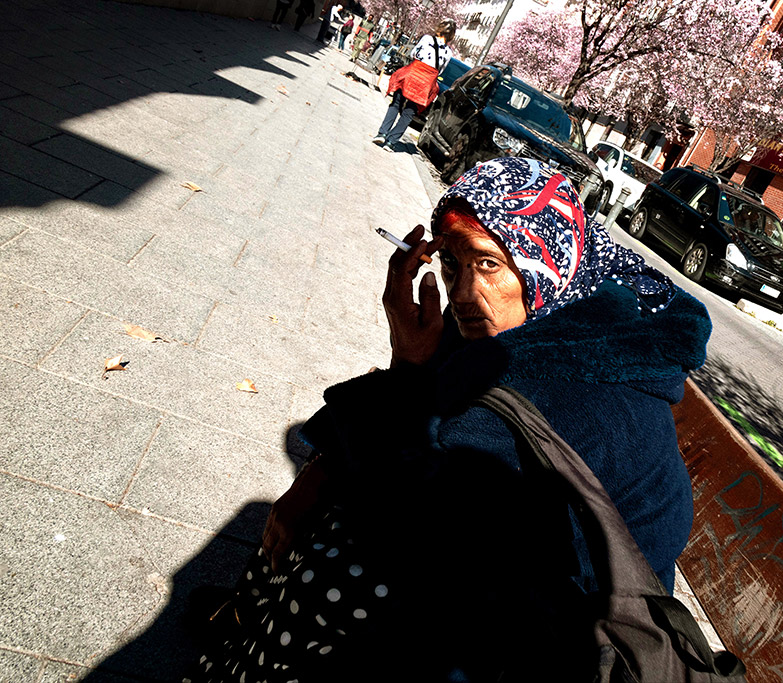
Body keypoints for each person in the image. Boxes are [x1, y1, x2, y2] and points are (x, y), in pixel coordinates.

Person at [183, 157, 712, 681]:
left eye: (486, 264)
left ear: (545, 262)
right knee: (333, 503)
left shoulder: (558, 376)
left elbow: (400, 501)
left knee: (347, 563)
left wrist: (404, 364)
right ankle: (248, 628)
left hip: (564, 636)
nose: (461, 293)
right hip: (495, 561)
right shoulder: (544, 315)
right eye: (452, 265)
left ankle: (252, 663)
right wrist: (325, 465)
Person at [372, 19, 455, 152]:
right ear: (451, 35)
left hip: (412, 74)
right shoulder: (448, 53)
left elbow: (413, 54)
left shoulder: (427, 39)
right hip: (426, 82)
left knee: (396, 103)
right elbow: (441, 70)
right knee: (409, 112)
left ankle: (382, 133)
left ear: (439, 29)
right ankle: (391, 142)